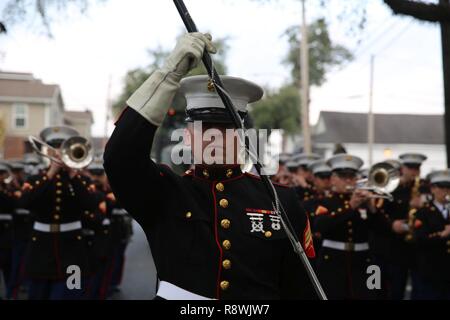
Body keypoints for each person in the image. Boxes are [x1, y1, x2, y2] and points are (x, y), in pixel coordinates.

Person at [104, 32, 316, 300]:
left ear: (242, 137)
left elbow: (299, 288)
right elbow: (120, 157)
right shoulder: (165, 192)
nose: (213, 139)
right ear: (189, 136)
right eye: (203, 129)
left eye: (226, 129)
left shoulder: (280, 201)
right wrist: (169, 74)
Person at [21, 126, 96, 300]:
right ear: (47, 150)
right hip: (41, 250)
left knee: (71, 294)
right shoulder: (36, 179)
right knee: (38, 295)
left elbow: (90, 204)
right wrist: (50, 173)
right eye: (54, 148)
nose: (58, 153)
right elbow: (25, 203)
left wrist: (72, 174)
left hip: (73, 251)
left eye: (62, 148)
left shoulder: (81, 180)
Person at [314, 154, 389, 299]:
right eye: (343, 176)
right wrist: (350, 206)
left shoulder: (365, 201)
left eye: (352, 176)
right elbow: (320, 226)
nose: (348, 180)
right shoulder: (326, 201)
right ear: (333, 179)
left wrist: (372, 209)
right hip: (333, 262)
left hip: (363, 262)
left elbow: (384, 231)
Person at [383, 153, 427, 300]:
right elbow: (381, 214)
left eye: (417, 168)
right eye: (410, 168)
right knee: (396, 288)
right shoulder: (392, 188)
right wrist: (391, 225)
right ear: (403, 168)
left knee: (419, 290)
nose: (414, 171)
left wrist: (423, 205)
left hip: (418, 247)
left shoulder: (425, 188)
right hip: (396, 245)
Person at [413, 170, 450, 299]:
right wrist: (441, 235)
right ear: (433, 189)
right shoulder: (424, 212)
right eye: (441, 187)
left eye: (448, 188)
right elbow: (419, 239)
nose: (445, 191)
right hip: (432, 269)